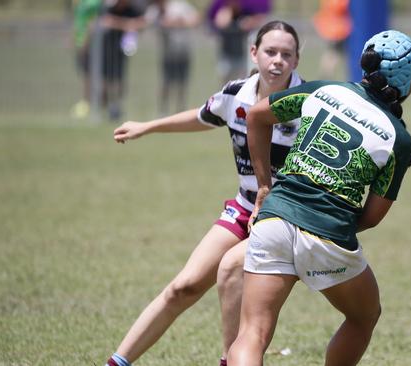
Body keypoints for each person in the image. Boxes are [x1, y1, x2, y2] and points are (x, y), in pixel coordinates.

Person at [104, 20, 302, 366]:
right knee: (185, 286)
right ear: (254, 53)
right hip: (245, 207)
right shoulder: (236, 94)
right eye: (270, 51)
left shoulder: (307, 106)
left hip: (286, 217)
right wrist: (147, 127)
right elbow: (201, 116)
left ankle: (230, 359)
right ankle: (117, 362)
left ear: (297, 61)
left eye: (287, 54)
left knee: (230, 269)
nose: (277, 61)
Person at [227, 29, 411, 366]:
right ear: (408, 81)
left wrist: (264, 187)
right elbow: (373, 216)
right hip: (329, 237)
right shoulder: (398, 140)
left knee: (252, 334)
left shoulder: (326, 89)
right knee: (364, 316)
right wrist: (324, 224)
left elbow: (256, 116)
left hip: (273, 220)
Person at [146, 0, 201, 116]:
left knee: (182, 83)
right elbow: (145, 22)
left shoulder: (179, 6)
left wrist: (178, 23)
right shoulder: (154, 10)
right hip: (167, 54)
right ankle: (163, 110)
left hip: (183, 51)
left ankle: (180, 110)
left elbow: (196, 19)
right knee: (166, 82)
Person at [99, 0, 147, 121]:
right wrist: (126, 24)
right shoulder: (109, 7)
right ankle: (104, 107)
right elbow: (105, 21)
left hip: (121, 52)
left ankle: (116, 107)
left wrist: (123, 24)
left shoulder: (133, 9)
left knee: (119, 81)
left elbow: (142, 22)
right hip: (107, 50)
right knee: (105, 81)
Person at [207, 0, 271, 86]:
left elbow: (262, 17)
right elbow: (216, 22)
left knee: (246, 82)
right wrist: (224, 16)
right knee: (226, 82)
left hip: (245, 54)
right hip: (227, 54)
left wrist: (250, 22)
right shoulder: (222, 8)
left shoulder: (248, 8)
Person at [71, 0, 103, 119]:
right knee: (85, 75)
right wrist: (73, 38)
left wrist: (86, 41)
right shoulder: (81, 2)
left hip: (89, 45)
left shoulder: (93, 3)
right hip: (81, 42)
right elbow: (78, 20)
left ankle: (91, 104)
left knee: (90, 76)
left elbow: (92, 23)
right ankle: (86, 102)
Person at [312, 0, 351, 79]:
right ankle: (326, 76)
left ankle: (326, 76)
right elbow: (339, 7)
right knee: (333, 54)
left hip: (333, 29)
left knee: (333, 54)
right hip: (337, 30)